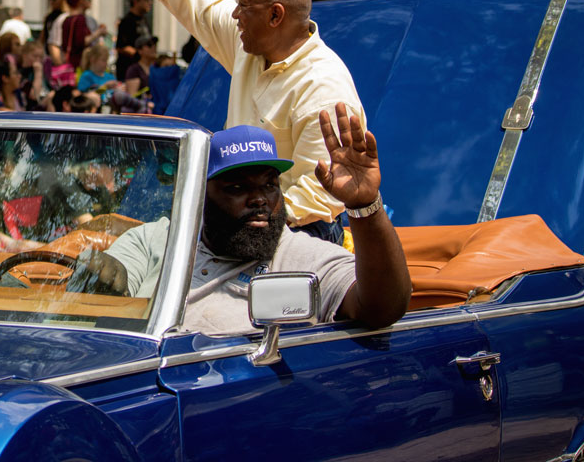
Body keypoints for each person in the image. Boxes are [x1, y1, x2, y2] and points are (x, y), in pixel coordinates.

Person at [83, 0, 365, 244]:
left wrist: (223, 224)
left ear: (275, 15)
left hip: (300, 233)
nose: (234, 15)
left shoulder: (324, 87)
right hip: (241, 218)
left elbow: (316, 196)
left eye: (243, 7)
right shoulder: (251, 41)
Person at [94, 110, 411, 334]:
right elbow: (104, 299)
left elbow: (381, 308)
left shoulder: (301, 257)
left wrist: (364, 204)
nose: (259, 199)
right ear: (201, 196)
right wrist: (103, 281)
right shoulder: (158, 239)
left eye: (269, 185)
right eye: (237, 188)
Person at [60, 0, 108, 69]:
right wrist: (99, 32)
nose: (91, 1)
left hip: (69, 64)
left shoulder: (67, 19)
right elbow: (81, 42)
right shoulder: (80, 19)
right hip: (79, 65)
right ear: (80, 0)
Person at [115, 0, 154, 80]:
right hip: (129, 69)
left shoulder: (144, 20)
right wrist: (140, 55)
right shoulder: (126, 21)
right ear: (136, 1)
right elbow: (121, 47)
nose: (150, 2)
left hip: (143, 69)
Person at [125, 34, 157, 99]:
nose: (153, 47)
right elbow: (132, 97)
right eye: (149, 45)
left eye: (155, 44)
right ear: (140, 50)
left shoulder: (159, 67)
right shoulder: (134, 70)